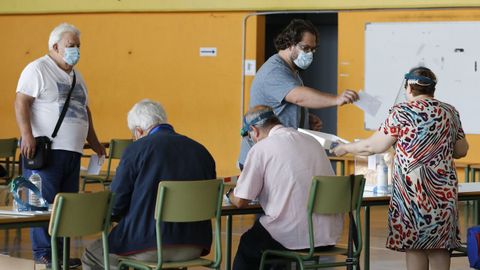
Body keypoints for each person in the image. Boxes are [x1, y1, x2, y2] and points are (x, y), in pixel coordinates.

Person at [332, 67, 469, 270]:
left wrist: (344, 148)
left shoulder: (401, 112)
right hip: (443, 195)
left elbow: (373, 146)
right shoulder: (449, 111)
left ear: (409, 88)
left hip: (412, 194)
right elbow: (461, 150)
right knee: (440, 248)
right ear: (432, 89)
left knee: (414, 247)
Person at [82, 99, 216, 269]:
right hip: (195, 245)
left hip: (148, 245)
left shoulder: (136, 150)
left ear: (138, 132)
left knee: (92, 255)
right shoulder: (201, 151)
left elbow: (115, 204)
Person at [14, 22, 105, 268]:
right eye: (70, 45)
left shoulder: (77, 76)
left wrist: (94, 141)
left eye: (78, 46)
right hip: (46, 150)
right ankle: (43, 252)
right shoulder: (38, 69)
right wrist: (27, 134)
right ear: (55, 46)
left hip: (72, 151)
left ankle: (60, 252)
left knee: (66, 205)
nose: (75, 50)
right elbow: (21, 102)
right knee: (42, 203)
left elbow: (84, 109)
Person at [228, 105, 343, 270]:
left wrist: (229, 194)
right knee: (266, 240)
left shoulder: (261, 148)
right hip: (328, 235)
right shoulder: (311, 141)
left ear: (254, 130)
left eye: (249, 135)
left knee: (250, 244)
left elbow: (240, 201)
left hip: (292, 237)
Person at [238, 19, 359, 168]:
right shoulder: (274, 71)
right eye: (305, 48)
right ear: (289, 43)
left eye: (313, 50)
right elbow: (298, 97)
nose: (310, 54)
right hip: (261, 158)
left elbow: (286, 105)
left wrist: (305, 118)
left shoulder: (291, 72)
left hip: (279, 154)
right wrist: (336, 99)